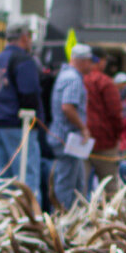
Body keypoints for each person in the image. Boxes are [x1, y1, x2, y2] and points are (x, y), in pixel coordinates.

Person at [0, 20, 44, 195]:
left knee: (4, 179)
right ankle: (28, 217)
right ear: (24, 37)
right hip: (19, 124)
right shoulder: (23, 60)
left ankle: (4, 215)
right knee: (27, 178)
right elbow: (29, 94)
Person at [48, 43, 91, 209]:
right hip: (68, 139)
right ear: (81, 61)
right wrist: (83, 127)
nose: (90, 65)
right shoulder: (73, 78)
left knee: (76, 182)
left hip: (65, 138)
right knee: (67, 184)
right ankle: (61, 220)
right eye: (88, 61)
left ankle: (69, 218)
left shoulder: (65, 75)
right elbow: (67, 106)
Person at [82, 56, 124, 189]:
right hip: (105, 142)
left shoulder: (79, 79)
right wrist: (117, 136)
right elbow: (115, 112)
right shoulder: (105, 82)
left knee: (79, 186)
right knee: (110, 188)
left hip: (81, 140)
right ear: (101, 61)